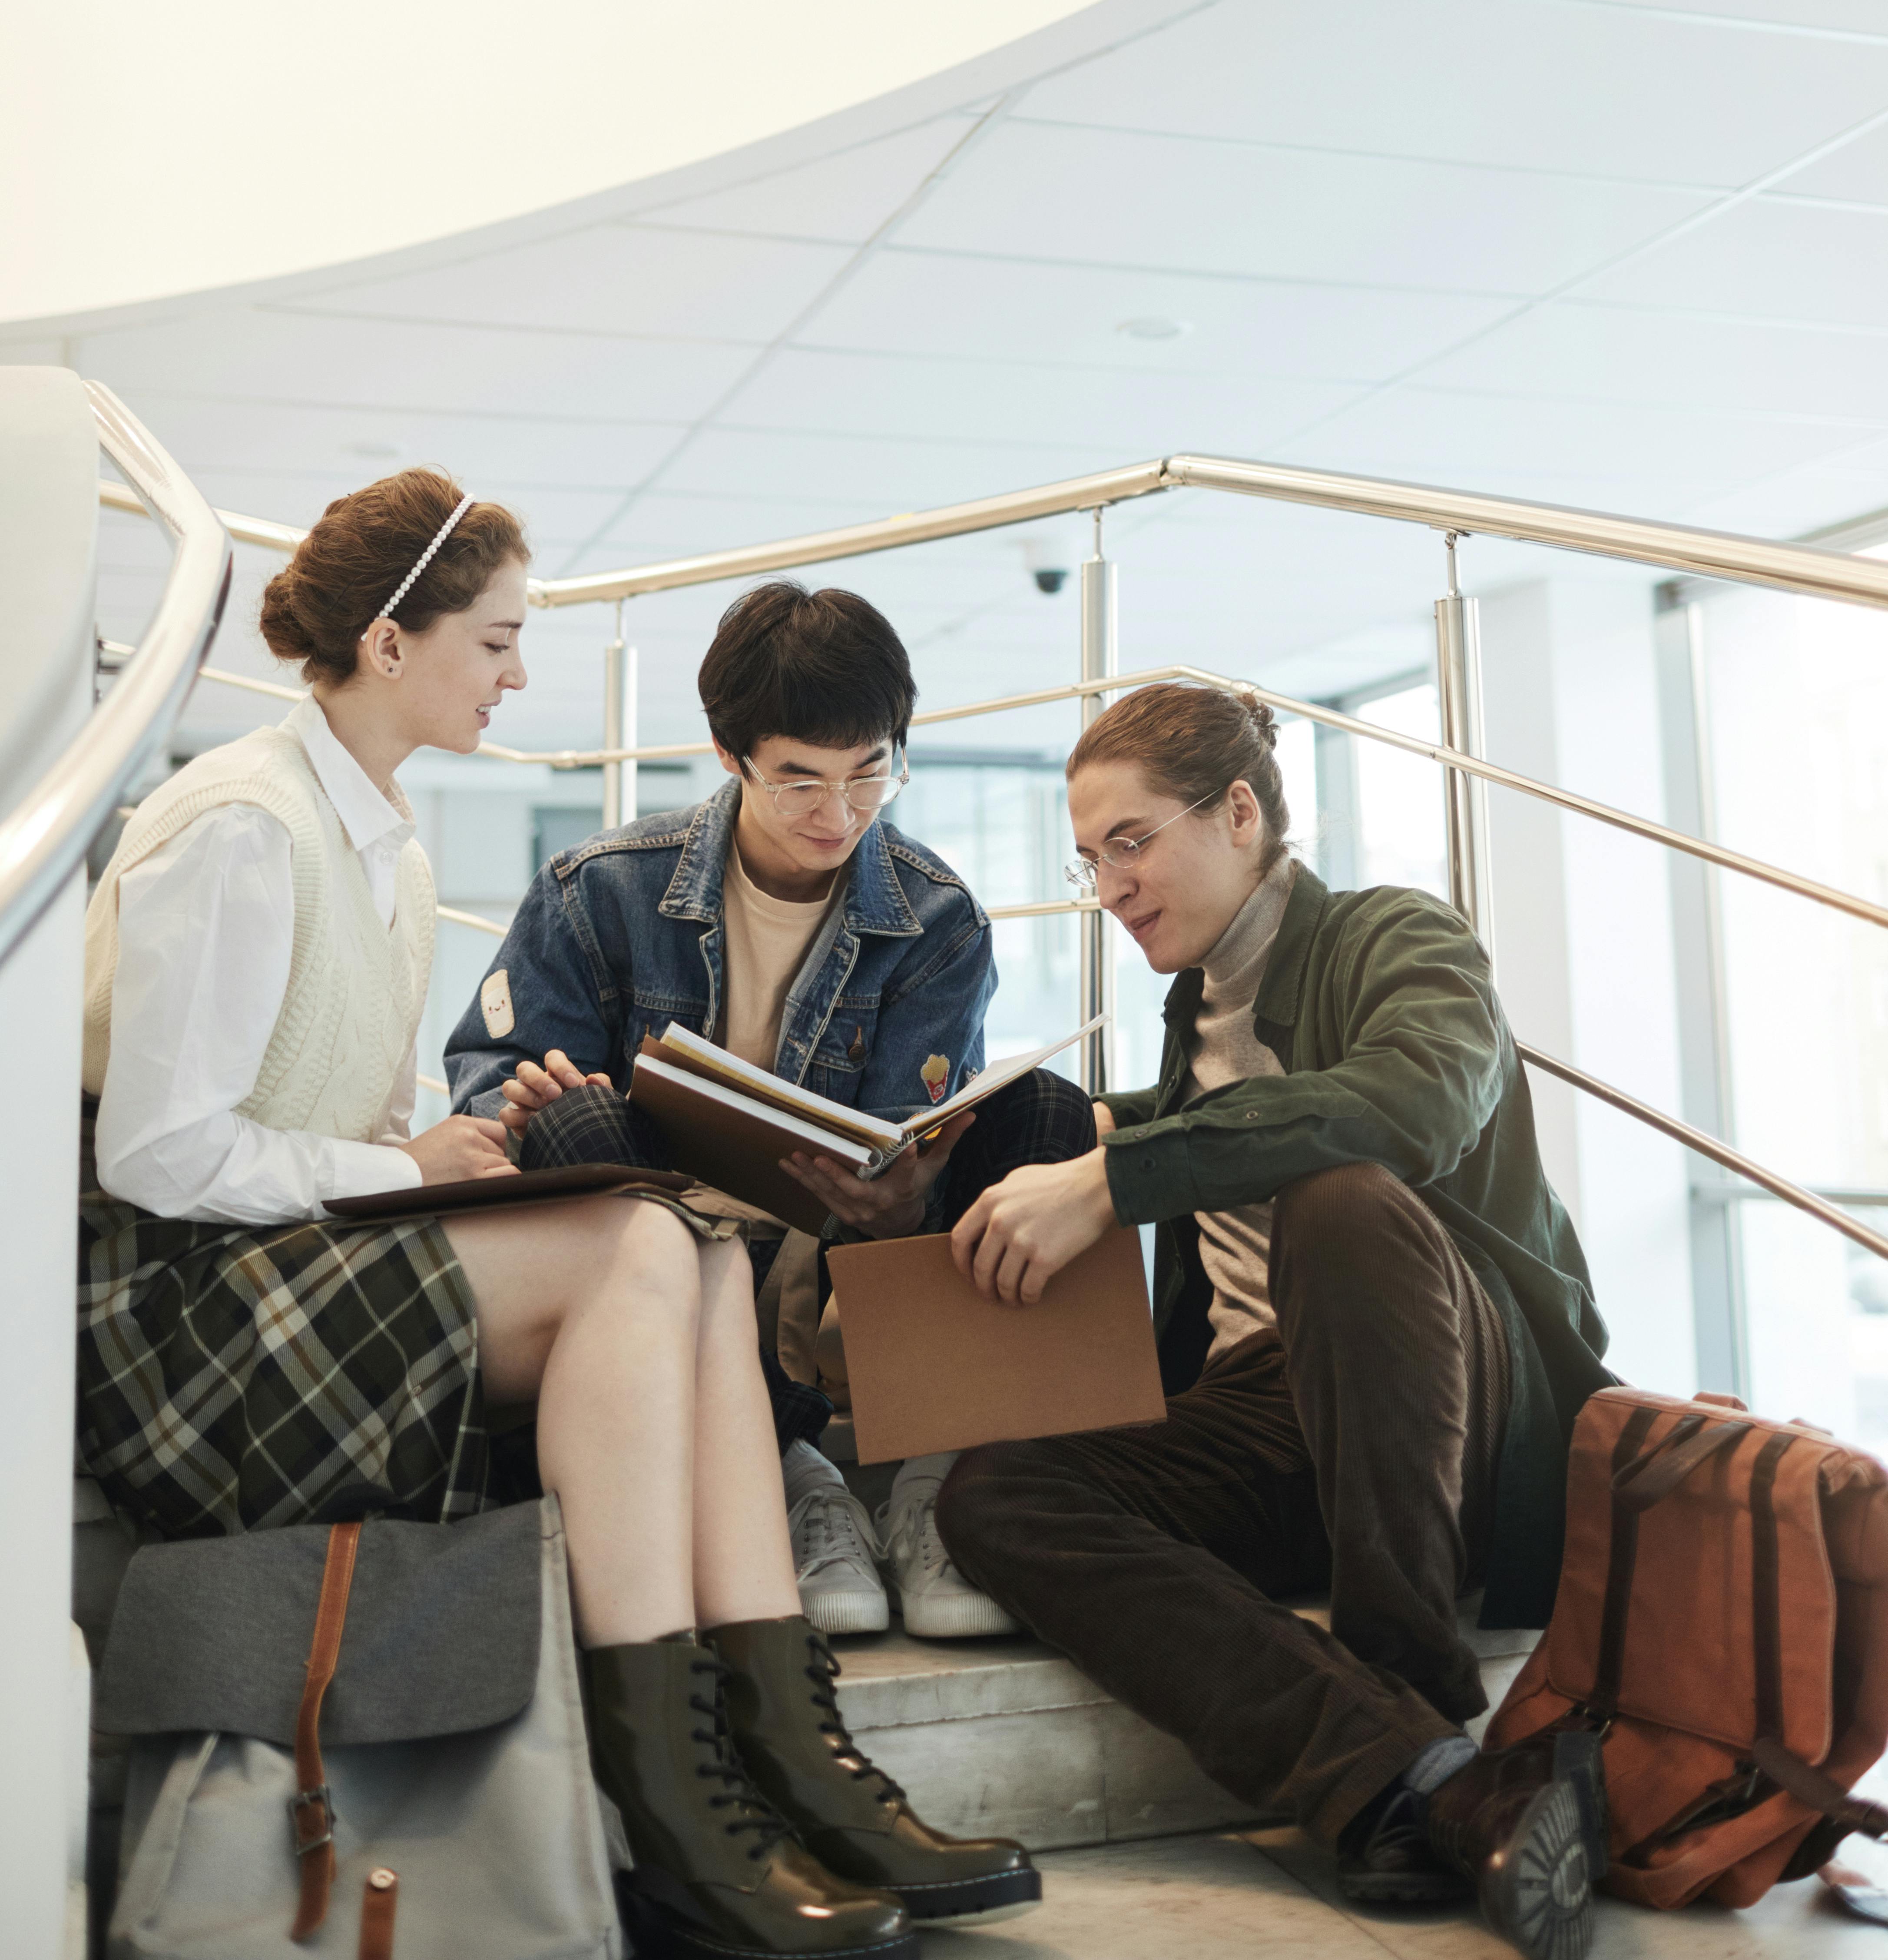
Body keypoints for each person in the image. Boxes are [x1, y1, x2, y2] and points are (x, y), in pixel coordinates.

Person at [77, 473, 1037, 1957]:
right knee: (648, 1232)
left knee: (687, 1235)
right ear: (392, 641)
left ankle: (792, 1750)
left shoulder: (371, 832)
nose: (522, 672)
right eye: (498, 638)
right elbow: (156, 1152)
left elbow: (305, 1113)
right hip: (180, 1321)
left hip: (287, 1265)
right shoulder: (240, 826)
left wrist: (428, 1142)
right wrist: (417, 1168)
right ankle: (678, 1800)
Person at [933, 680, 1615, 1960]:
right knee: (995, 1496)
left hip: (1461, 1401)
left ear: (1238, 810)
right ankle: (1418, 1773)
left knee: (1341, 1197)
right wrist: (997, 1152)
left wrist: (1114, 1175)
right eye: (1087, 860)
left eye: (1130, 840)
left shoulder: (1398, 935)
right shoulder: (1193, 1013)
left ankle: (1409, 1677)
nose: (1110, 884)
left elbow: (1407, 1104)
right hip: (1271, 1409)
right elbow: (1173, 1123)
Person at [444, 578, 1095, 1642]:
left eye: (868, 773)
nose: (837, 816)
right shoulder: (598, 891)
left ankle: (940, 1487)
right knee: (578, 1125)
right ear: (729, 753)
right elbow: (491, 1077)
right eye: (798, 781)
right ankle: (794, 1472)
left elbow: (910, 1139)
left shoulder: (935, 915)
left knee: (1048, 1119)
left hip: (843, 1251)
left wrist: (895, 1201)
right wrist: (522, 1102)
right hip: (665, 1251)